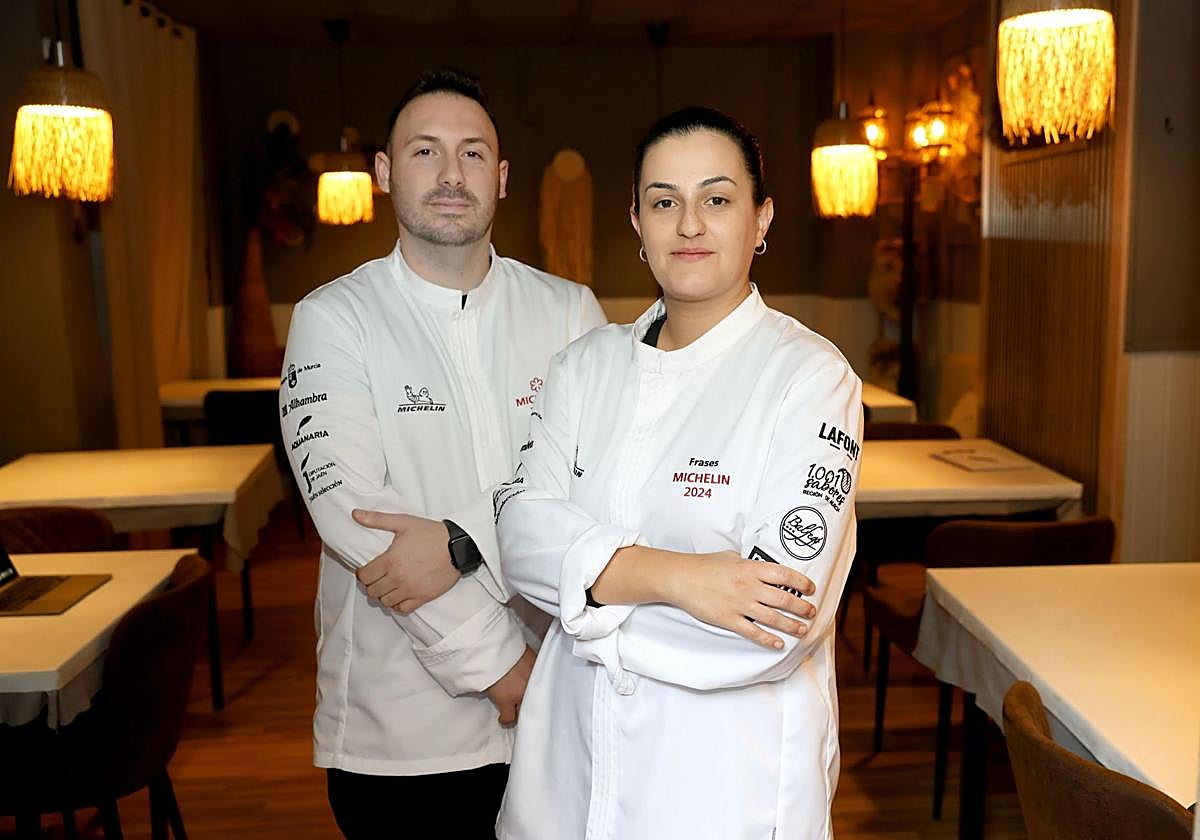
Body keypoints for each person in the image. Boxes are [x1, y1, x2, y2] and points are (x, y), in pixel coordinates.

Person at [494, 107, 864, 840]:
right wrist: (678, 578)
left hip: (726, 791)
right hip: (564, 782)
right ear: (636, 221)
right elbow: (518, 538)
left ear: (762, 219)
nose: (689, 224)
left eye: (717, 199)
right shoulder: (583, 367)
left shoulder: (811, 379)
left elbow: (770, 625)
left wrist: (583, 601)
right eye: (665, 201)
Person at [279, 68, 606, 839]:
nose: (451, 174)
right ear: (386, 173)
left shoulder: (570, 313)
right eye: (425, 152)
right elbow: (359, 522)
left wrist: (457, 538)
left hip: (562, 712)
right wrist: (503, 670)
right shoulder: (333, 320)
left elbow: (601, 486)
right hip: (401, 736)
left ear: (500, 176)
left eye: (471, 153)